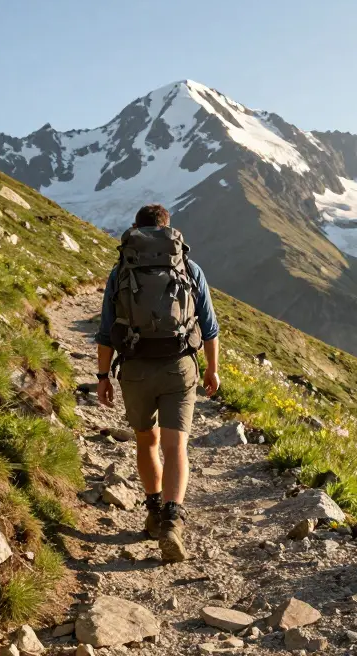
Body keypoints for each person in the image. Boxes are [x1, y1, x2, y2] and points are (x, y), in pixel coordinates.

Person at [94, 204, 220, 562]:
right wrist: (212, 369)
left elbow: (105, 333)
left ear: (136, 230)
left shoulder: (120, 272)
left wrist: (103, 377)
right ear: (169, 232)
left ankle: (152, 511)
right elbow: (209, 328)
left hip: (134, 369)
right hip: (179, 368)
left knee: (146, 441)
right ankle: (172, 522)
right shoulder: (189, 269)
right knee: (175, 446)